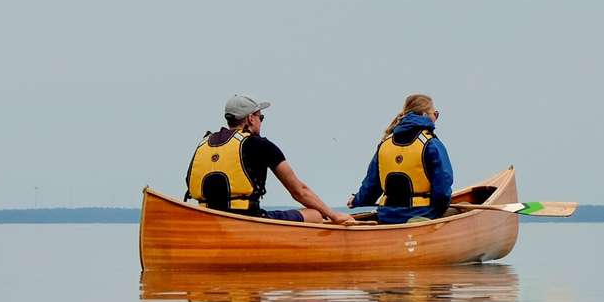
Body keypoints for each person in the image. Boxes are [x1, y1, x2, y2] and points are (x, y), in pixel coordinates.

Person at [184, 94, 356, 225]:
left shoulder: (204, 144)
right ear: (251, 118)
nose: (261, 121)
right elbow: (299, 191)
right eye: (261, 117)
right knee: (315, 215)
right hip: (247, 219)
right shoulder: (259, 144)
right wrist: (334, 215)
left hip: (208, 220)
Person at [349, 94, 455, 225]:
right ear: (425, 115)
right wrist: (438, 209)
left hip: (387, 216)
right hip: (422, 213)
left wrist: (356, 200)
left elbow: (371, 186)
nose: (436, 118)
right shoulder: (431, 144)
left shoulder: (385, 144)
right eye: (435, 114)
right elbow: (443, 189)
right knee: (459, 208)